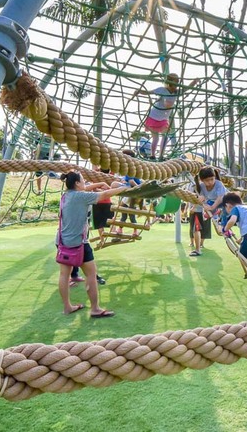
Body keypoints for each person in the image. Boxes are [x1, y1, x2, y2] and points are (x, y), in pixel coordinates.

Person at [57, 171, 128, 318]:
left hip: (62, 241)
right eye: (83, 180)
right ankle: (95, 308)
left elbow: (88, 190)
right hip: (79, 244)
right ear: (77, 183)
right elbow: (103, 195)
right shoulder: (81, 197)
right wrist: (123, 188)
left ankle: (67, 307)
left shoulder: (66, 195)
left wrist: (101, 183)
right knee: (91, 274)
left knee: (64, 275)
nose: (86, 183)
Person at [132, 73, 198, 159]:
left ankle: (161, 155)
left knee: (165, 136)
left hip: (163, 118)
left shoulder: (177, 92)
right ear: (169, 83)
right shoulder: (162, 90)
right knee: (156, 138)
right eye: (174, 83)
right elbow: (148, 92)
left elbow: (187, 88)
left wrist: (194, 81)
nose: (175, 86)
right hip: (154, 117)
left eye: (177, 83)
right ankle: (152, 155)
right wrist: (139, 91)